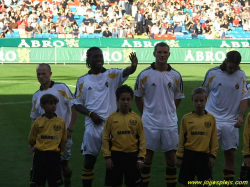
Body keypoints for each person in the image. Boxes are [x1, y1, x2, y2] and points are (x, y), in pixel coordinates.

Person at [72, 47, 138, 187]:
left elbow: (126, 72)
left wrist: (133, 66)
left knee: (114, 162)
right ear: (88, 60)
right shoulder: (83, 80)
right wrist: (91, 114)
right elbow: (76, 104)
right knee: (89, 162)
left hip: (112, 126)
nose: (98, 59)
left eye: (100, 56)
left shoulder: (112, 74)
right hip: (92, 127)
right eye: (95, 57)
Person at [134, 42, 185, 187]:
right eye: (159, 52)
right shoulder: (144, 74)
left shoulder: (175, 75)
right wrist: (145, 113)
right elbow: (137, 96)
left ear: (169, 54)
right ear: (154, 53)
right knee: (147, 158)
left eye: (165, 52)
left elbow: (178, 98)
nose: (162, 55)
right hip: (149, 123)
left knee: (171, 159)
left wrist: (169, 110)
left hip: (169, 123)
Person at [201, 51, 250, 186]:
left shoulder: (241, 75)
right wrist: (202, 116)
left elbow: (244, 96)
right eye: (231, 67)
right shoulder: (212, 73)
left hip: (231, 123)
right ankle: (206, 183)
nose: (233, 70)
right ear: (225, 61)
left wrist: (241, 115)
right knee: (207, 155)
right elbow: (202, 94)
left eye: (235, 67)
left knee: (230, 155)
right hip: (212, 120)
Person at [30, 63, 78, 187]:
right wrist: (32, 142)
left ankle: (67, 183)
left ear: (50, 74)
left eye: (44, 73)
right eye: (38, 74)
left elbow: (75, 107)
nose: (41, 76)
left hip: (62, 136)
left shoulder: (61, 88)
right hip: (43, 141)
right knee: (42, 169)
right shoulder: (36, 95)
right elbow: (34, 119)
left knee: (64, 164)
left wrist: (70, 128)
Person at [101, 85, 146, 187]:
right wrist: (107, 157)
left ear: (131, 100)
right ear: (117, 100)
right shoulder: (111, 118)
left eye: (128, 99)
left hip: (133, 157)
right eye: (123, 99)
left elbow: (142, 139)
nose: (126, 102)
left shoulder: (136, 118)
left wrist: (141, 157)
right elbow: (105, 138)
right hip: (116, 157)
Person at [176, 88, 219, 186]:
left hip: (204, 157)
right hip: (189, 156)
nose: (199, 103)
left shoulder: (211, 119)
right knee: (187, 183)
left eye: (201, 100)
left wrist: (212, 156)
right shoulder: (186, 118)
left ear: (206, 101)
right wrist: (179, 156)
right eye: (196, 100)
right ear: (192, 101)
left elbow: (213, 139)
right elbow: (181, 139)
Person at [28, 94, 67, 187]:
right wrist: (33, 146)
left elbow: (64, 139)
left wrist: (60, 152)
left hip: (54, 156)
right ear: (42, 106)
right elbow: (31, 138)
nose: (53, 106)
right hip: (40, 156)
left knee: (54, 183)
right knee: (39, 182)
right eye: (50, 104)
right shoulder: (38, 122)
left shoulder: (60, 122)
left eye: (55, 104)